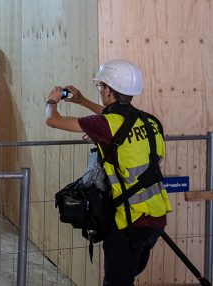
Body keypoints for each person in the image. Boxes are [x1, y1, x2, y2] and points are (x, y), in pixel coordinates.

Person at [44, 59, 171, 286]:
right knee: (126, 277)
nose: (100, 91)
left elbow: (53, 120)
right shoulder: (151, 121)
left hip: (128, 221)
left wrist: (51, 100)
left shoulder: (107, 125)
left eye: (101, 87)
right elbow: (113, 116)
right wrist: (82, 100)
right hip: (156, 217)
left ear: (110, 90)